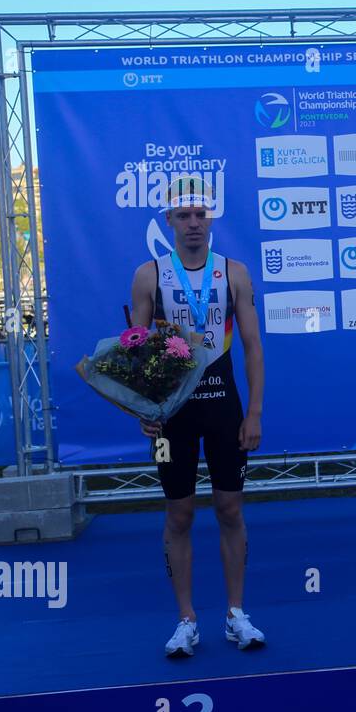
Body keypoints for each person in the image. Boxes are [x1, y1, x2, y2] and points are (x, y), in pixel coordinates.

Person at [130, 175, 267, 655]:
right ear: (168, 221)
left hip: (223, 405)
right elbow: (136, 352)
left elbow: (251, 346)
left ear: (210, 220)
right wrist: (145, 409)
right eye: (183, 216)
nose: (193, 223)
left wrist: (253, 412)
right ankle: (186, 619)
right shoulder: (150, 275)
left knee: (230, 508)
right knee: (180, 513)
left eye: (200, 215)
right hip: (173, 416)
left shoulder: (234, 272)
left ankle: (235, 613)